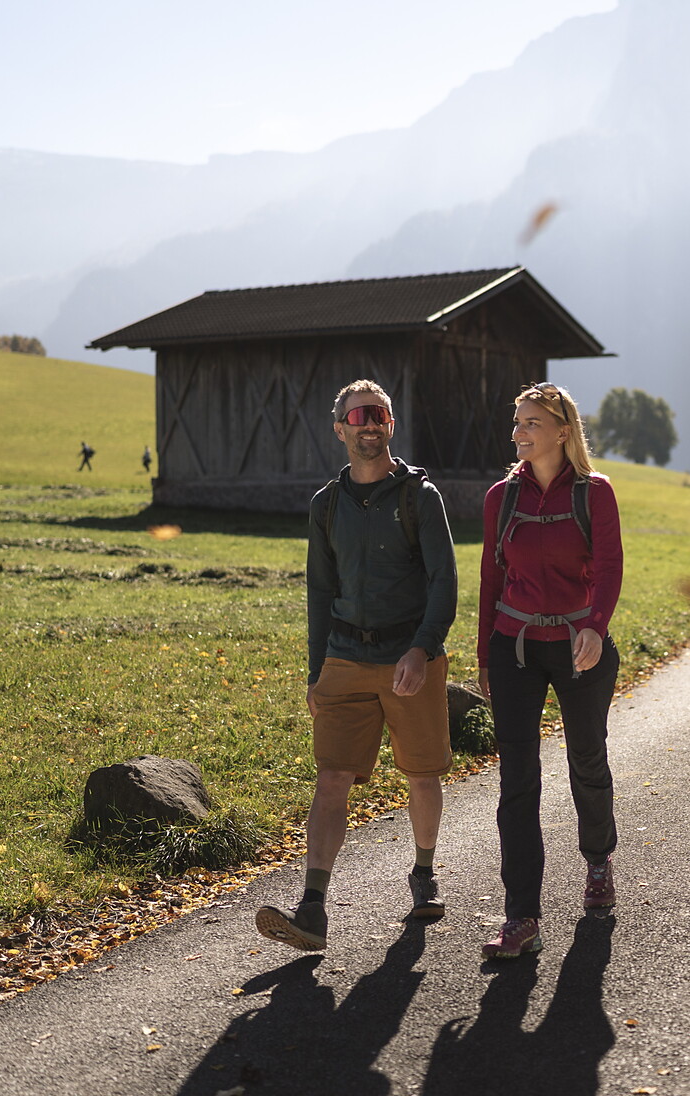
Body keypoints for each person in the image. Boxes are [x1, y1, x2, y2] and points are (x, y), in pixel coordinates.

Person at [256, 380, 459, 953]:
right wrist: (317, 670)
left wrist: (422, 647)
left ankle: (423, 874)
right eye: (357, 416)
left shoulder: (420, 496)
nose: (369, 424)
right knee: (331, 778)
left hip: (409, 656)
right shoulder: (325, 505)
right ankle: (313, 907)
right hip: (345, 656)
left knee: (422, 773)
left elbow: (445, 579)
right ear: (340, 427)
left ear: (391, 425)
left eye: (379, 415)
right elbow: (320, 591)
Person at [477, 382, 624, 959]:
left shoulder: (595, 493)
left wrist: (595, 624)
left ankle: (597, 860)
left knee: (586, 757)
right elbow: (491, 578)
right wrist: (486, 654)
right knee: (517, 778)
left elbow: (609, 566)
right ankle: (522, 917)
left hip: (579, 645)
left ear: (562, 431)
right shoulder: (501, 497)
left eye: (531, 423)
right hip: (515, 646)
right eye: (517, 423)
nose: (518, 433)